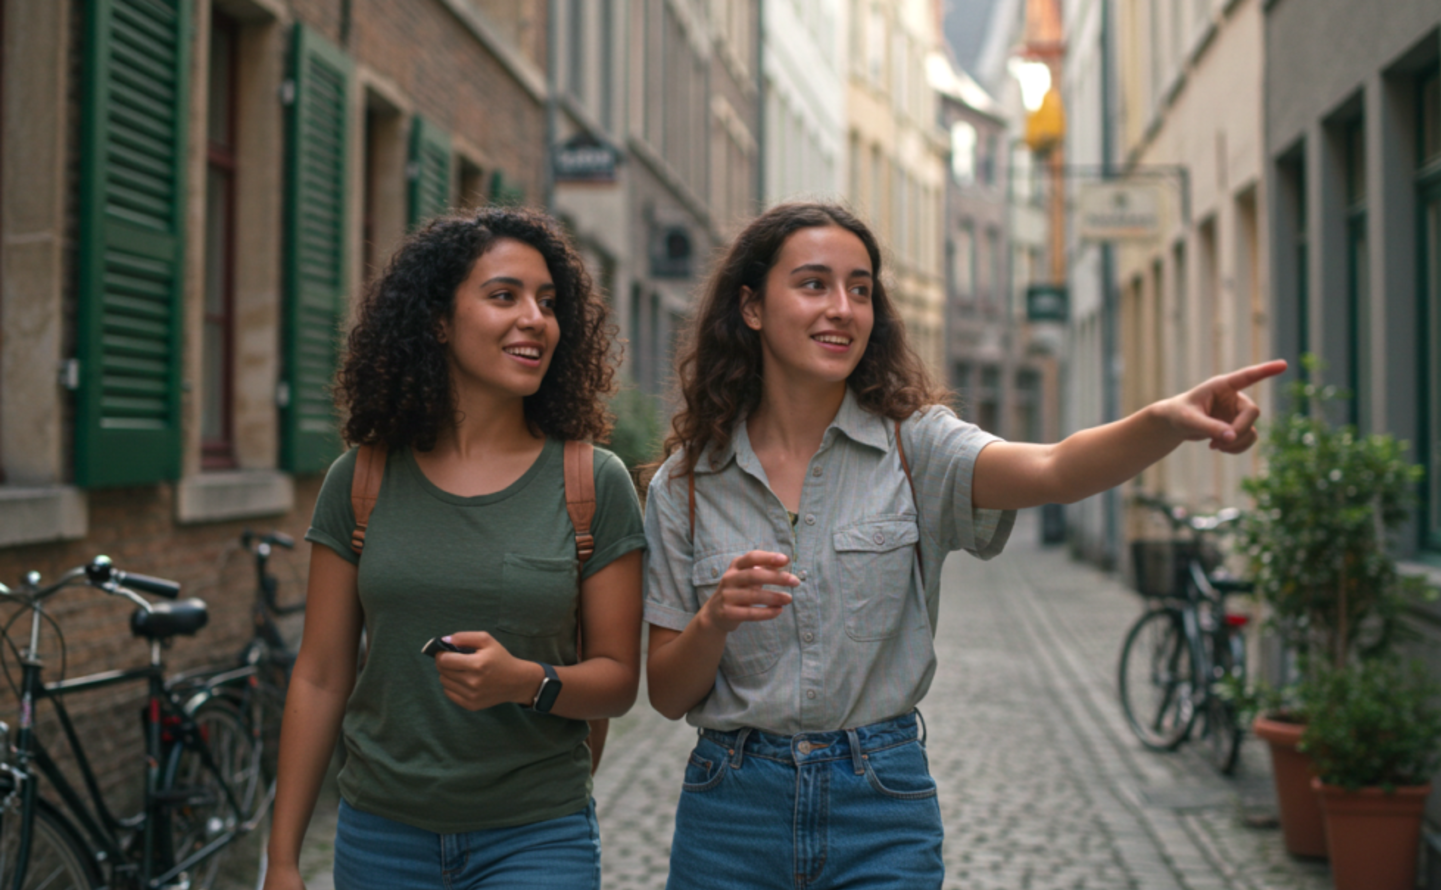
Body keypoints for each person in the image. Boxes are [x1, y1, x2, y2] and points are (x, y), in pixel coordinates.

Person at [641, 202, 1284, 890]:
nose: (842, 308)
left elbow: (1055, 469)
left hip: (879, 807)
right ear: (752, 307)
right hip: (732, 813)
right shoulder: (687, 485)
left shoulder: (916, 445)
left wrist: (1164, 421)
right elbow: (669, 692)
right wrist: (714, 621)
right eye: (813, 284)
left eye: (860, 289)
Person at [265, 208, 646, 890]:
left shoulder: (592, 483)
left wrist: (526, 681)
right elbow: (321, 675)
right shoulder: (361, 480)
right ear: (438, 320)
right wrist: (284, 860)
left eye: (549, 302)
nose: (535, 318)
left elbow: (617, 679)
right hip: (381, 838)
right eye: (505, 296)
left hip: (536, 838)